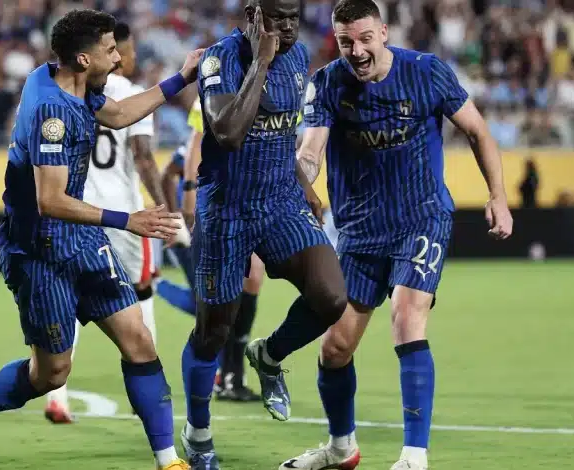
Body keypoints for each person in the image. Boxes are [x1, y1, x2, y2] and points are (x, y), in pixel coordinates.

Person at [0, 10, 202, 470]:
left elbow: (119, 115)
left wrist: (181, 79)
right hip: (37, 252)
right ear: (84, 59)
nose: (118, 58)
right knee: (51, 374)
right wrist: (129, 220)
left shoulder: (65, 79)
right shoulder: (52, 114)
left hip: (82, 240)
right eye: (110, 50)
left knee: (139, 340)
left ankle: (168, 461)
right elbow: (50, 201)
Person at [278, 1, 514, 469]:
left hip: (421, 217)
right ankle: (341, 448)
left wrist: (498, 196)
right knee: (336, 347)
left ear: (384, 33)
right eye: (346, 42)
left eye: (365, 39)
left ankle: (413, 456)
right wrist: (299, 183)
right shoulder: (327, 84)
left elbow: (477, 131)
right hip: (360, 230)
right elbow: (310, 151)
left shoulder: (426, 72)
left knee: (407, 318)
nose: (357, 51)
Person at [180, 1, 349, 468]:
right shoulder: (220, 60)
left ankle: (269, 356)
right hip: (227, 210)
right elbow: (229, 133)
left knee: (332, 297)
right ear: (254, 15)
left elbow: (280, 132)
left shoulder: (299, 57)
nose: (289, 27)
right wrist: (260, 62)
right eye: (278, 18)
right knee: (214, 332)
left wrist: (303, 184)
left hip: (280, 201)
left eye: (294, 17)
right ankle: (197, 433)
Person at [43, 21, 178, 423]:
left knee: (70, 299)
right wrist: (165, 209)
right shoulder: (132, 94)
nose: (128, 58)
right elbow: (143, 158)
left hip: (79, 211)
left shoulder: (71, 89)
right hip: (124, 216)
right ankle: (148, 394)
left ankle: (57, 395)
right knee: (140, 294)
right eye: (126, 51)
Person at [158, 98, 262, 403]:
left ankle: (229, 375)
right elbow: (168, 173)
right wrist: (175, 217)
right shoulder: (203, 140)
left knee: (233, 292)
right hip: (195, 224)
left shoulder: (246, 143)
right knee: (210, 302)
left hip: (230, 217)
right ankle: (154, 284)